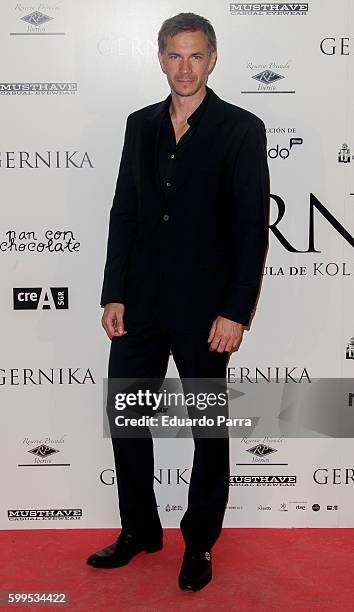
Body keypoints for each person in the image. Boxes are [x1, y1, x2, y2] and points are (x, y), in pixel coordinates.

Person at [86, 12, 270, 592]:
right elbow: (124, 213)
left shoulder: (241, 128)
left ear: (213, 58)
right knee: (127, 418)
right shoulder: (139, 126)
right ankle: (140, 530)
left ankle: (200, 543)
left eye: (196, 56)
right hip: (139, 304)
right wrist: (114, 291)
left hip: (206, 310)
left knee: (208, 431)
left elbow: (250, 230)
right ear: (160, 58)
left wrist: (236, 310)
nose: (184, 68)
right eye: (174, 55)